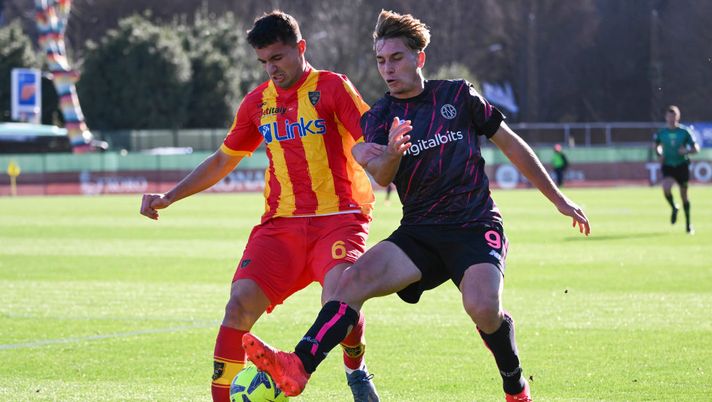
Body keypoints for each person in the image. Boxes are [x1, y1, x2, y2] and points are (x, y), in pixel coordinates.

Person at [241, 10, 591, 402]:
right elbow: (381, 174)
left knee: (483, 308)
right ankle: (299, 366)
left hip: (473, 226)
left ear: (419, 58)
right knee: (349, 284)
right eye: (380, 60)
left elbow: (510, 144)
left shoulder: (457, 96)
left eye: (396, 58)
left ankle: (516, 387)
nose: (387, 69)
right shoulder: (379, 116)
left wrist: (559, 199)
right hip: (421, 231)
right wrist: (391, 152)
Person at [139, 11, 380, 402]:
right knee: (237, 307)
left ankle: (355, 369)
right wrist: (170, 196)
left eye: (278, 58)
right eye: (264, 61)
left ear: (300, 49)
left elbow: (372, 135)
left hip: (339, 219)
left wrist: (391, 161)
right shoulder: (257, 103)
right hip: (280, 225)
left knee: (340, 298)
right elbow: (222, 160)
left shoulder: (332, 87)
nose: (272, 68)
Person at [654, 105, 700, 234]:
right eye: (669, 116)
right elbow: (657, 146)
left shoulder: (684, 132)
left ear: (677, 117)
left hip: (681, 165)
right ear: (666, 117)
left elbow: (696, 148)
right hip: (668, 165)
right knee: (666, 188)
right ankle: (674, 207)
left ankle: (688, 224)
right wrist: (659, 154)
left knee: (684, 195)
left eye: (674, 116)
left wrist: (687, 150)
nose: (671, 119)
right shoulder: (662, 133)